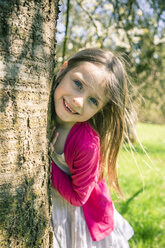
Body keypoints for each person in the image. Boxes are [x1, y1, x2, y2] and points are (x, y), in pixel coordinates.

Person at [49, 48, 134, 248]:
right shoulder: (42, 103)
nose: (78, 102)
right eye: (78, 83)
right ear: (63, 70)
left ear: (100, 109)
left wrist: (45, 164)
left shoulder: (86, 144)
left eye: (93, 100)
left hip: (77, 215)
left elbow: (79, 197)